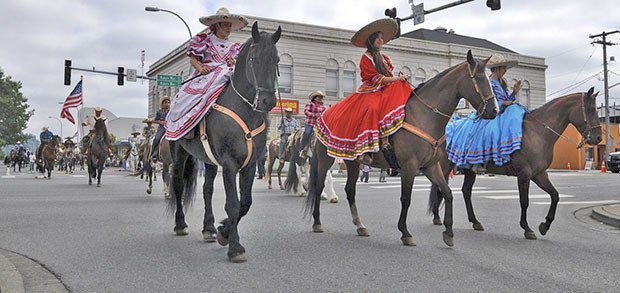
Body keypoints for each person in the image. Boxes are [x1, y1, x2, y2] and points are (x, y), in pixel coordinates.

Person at [314, 18, 412, 171]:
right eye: (377, 38)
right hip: (371, 89)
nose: (380, 40)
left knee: (404, 97)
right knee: (372, 109)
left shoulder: (385, 58)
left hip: (385, 88)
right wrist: (396, 78)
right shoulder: (365, 58)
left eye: (381, 38)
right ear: (371, 40)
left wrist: (398, 78)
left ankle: (392, 140)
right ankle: (365, 149)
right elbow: (376, 79)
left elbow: (388, 75)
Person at [165, 7, 248, 141]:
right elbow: (193, 59)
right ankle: (189, 126)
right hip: (208, 74)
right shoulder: (205, 41)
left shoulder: (234, 47)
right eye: (225, 25)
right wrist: (201, 68)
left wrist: (233, 62)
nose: (228, 28)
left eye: (230, 25)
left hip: (226, 72)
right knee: (188, 98)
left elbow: (234, 63)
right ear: (217, 25)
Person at [445, 54, 526, 173]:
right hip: (490, 112)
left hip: (501, 112)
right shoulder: (490, 82)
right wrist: (503, 102)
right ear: (498, 68)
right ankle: (478, 160)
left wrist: (514, 93)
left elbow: (506, 100)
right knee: (488, 130)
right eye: (504, 68)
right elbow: (490, 100)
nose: (505, 70)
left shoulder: (501, 84)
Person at [298, 91, 326, 155]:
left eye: (321, 97)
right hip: (310, 123)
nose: (320, 98)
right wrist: (315, 115)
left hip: (319, 124)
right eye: (319, 97)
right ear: (315, 97)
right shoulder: (310, 103)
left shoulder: (323, 106)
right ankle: (302, 148)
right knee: (307, 133)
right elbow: (306, 112)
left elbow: (325, 114)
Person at [149, 96, 170, 161]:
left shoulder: (171, 111)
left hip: (170, 129)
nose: (167, 104)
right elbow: (156, 120)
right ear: (162, 104)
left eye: (168, 102)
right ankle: (154, 153)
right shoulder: (159, 112)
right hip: (162, 129)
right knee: (157, 138)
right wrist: (160, 122)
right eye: (166, 102)